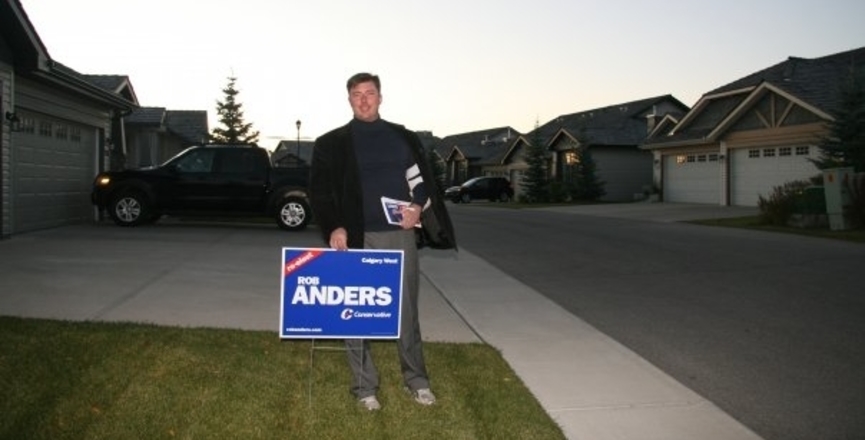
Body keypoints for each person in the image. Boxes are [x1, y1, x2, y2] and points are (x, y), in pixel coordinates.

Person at [310, 72, 457, 411]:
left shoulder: (402, 138)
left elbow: (420, 182)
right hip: (354, 238)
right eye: (356, 94)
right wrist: (335, 226)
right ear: (348, 99)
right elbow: (319, 193)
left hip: (398, 236)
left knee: (406, 312)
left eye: (370, 93)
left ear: (380, 97)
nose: (364, 99)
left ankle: (417, 381)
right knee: (354, 313)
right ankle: (365, 388)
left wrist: (417, 207)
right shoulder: (331, 143)